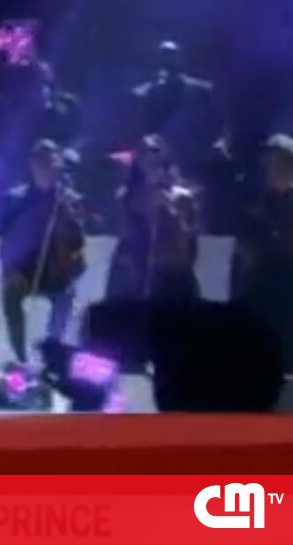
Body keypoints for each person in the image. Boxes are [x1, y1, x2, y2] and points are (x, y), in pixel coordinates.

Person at [0, 140, 86, 362]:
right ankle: (20, 353)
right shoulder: (15, 199)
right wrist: (10, 269)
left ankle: (51, 346)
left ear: (57, 167)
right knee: (10, 292)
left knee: (66, 294)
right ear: (32, 165)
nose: (44, 168)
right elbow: (6, 241)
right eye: (40, 163)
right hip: (24, 269)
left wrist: (69, 216)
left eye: (49, 163)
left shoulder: (69, 199)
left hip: (56, 267)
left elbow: (78, 242)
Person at [105, 135, 200, 303]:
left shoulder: (182, 197)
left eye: (155, 151)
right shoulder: (127, 196)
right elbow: (119, 229)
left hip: (172, 275)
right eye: (144, 152)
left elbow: (190, 241)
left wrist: (173, 210)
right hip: (134, 272)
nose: (150, 157)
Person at [232, 134, 293, 373]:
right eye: (268, 162)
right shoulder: (255, 202)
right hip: (261, 283)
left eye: (278, 162)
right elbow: (245, 244)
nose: (271, 169)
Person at [130, 40, 220, 179]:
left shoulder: (201, 92)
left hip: (196, 160)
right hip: (160, 164)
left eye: (171, 56)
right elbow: (141, 131)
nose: (168, 61)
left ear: (180, 59)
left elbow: (215, 124)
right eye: (164, 56)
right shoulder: (144, 95)